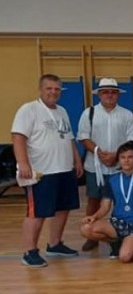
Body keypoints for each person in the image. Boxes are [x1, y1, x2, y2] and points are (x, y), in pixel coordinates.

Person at [12, 74, 83, 267]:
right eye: (49, 88)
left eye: (57, 89)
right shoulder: (29, 110)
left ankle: (55, 244)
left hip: (64, 169)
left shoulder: (62, 111)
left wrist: (77, 159)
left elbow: (68, 138)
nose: (53, 92)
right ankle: (29, 251)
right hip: (41, 172)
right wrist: (23, 163)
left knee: (63, 208)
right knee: (37, 213)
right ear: (40, 89)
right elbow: (18, 137)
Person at [77, 77, 133, 251]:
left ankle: (122, 232)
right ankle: (93, 236)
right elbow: (83, 137)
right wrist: (99, 152)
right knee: (94, 199)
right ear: (99, 95)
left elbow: (132, 140)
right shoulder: (89, 113)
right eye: (106, 92)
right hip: (94, 166)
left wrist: (116, 156)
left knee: (123, 200)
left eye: (113, 92)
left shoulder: (127, 114)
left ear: (118, 94)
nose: (109, 95)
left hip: (120, 166)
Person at [80, 143, 133, 261]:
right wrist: (94, 216)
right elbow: (105, 206)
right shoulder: (112, 180)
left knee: (125, 257)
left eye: (130, 157)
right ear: (118, 160)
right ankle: (115, 242)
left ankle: (131, 242)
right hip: (117, 223)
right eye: (123, 157)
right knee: (86, 229)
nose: (126, 160)